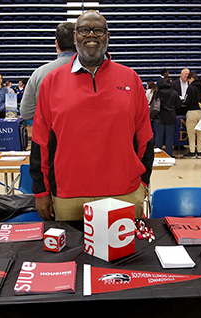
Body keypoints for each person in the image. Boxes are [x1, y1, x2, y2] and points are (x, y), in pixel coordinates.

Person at [30, 11, 154, 221]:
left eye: (98, 31)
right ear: (75, 36)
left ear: (107, 36)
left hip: (124, 192)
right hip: (69, 196)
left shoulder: (130, 79)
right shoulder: (51, 82)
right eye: (84, 30)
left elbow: (146, 137)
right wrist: (41, 192)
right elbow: (40, 142)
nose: (91, 36)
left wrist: (142, 183)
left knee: (128, 255)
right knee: (72, 254)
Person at [20, 22, 76, 120]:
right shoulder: (93, 72)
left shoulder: (39, 74)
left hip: (51, 132)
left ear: (56, 44)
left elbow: (26, 113)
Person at [153, 78, 181, 158]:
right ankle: (169, 154)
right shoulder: (174, 93)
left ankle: (158, 155)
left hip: (159, 116)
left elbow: (153, 104)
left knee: (159, 136)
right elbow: (178, 105)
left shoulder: (157, 93)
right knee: (169, 137)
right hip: (170, 117)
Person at [183, 71, 201, 158]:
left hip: (192, 111)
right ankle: (200, 151)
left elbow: (187, 101)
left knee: (191, 133)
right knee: (200, 133)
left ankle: (192, 151)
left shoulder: (191, 88)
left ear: (191, 78)